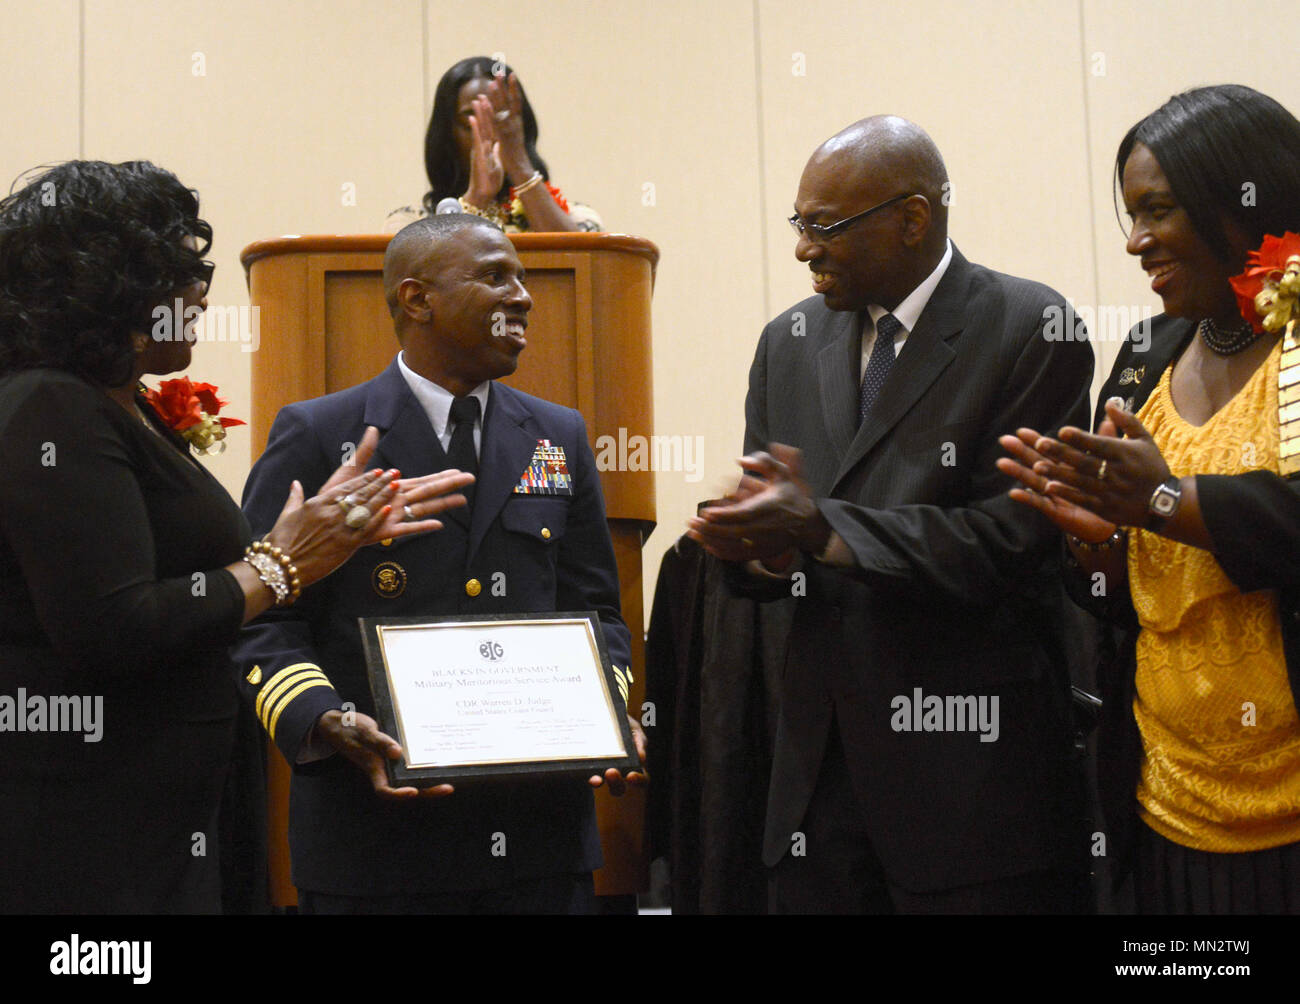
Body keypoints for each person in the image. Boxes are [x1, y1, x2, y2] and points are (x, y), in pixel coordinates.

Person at [0, 160, 471, 913]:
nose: (202, 292)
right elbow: (115, 626)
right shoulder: (49, 409)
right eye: (183, 269)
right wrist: (282, 565)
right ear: (112, 284)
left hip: (158, 815)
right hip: (84, 829)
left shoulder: (123, 406)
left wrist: (325, 541)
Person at [687, 116, 1094, 913]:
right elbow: (782, 532)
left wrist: (819, 529)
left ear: (913, 218)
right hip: (816, 791)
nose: (805, 248)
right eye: (800, 225)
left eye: (826, 227)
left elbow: (1009, 542)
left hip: (970, 787)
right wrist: (756, 549)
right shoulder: (788, 342)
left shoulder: (1028, 327)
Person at [234, 213, 643, 914]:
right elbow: (264, 618)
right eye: (495, 276)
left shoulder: (558, 435)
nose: (523, 297)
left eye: (522, 277)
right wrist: (321, 715)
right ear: (418, 299)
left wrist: (603, 707)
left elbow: (597, 609)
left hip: (538, 844)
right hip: (376, 843)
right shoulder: (320, 433)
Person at [998, 84, 1300, 914]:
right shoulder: (1147, 351)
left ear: (1243, 204)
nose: (1135, 241)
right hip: (1161, 811)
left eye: (1159, 210)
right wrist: (1096, 546)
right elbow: (1127, 593)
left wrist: (1164, 498)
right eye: (1131, 214)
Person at [384, 56, 600, 234]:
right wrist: (476, 199)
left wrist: (520, 168)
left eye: (501, 120)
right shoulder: (407, 224)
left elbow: (581, 260)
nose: (491, 134)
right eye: (472, 120)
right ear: (447, 134)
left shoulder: (580, 216)